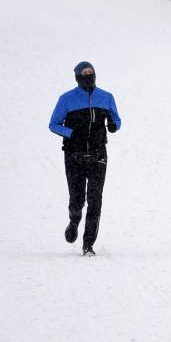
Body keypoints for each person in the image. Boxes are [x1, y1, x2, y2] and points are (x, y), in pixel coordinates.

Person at [48, 62, 122, 256]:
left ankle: (88, 245)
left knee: (95, 200)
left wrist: (114, 125)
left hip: (98, 155)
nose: (89, 76)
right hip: (74, 156)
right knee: (77, 199)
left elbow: (117, 119)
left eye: (91, 73)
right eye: (84, 73)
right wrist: (71, 133)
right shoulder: (66, 99)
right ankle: (74, 221)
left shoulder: (106, 97)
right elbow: (53, 124)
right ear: (77, 77)